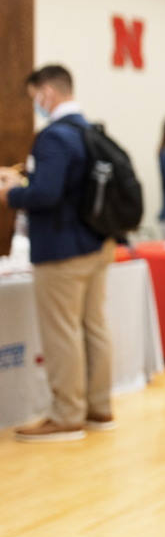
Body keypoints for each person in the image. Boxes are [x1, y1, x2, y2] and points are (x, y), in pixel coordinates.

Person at [0, 65, 116, 442]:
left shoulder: (52, 137)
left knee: (63, 332)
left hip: (62, 251)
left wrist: (11, 193)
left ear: (47, 92)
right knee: (93, 326)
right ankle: (99, 407)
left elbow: (45, 194)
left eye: (35, 96)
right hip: (97, 244)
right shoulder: (90, 131)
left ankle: (67, 414)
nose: (36, 103)